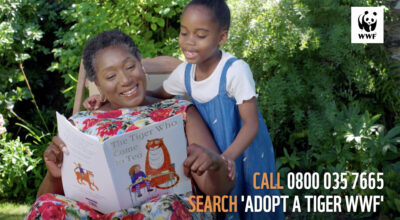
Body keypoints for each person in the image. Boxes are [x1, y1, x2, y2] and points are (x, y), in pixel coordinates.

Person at [84, 0, 284, 219]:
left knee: (255, 196)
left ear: (222, 37)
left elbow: (251, 124)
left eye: (200, 35)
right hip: (216, 148)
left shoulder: (235, 70)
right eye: (184, 33)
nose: (189, 43)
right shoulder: (185, 73)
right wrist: (110, 101)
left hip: (242, 146)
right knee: (234, 205)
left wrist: (226, 157)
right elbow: (156, 97)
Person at [25, 29, 234, 220]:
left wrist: (214, 163)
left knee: (166, 209)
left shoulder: (180, 112)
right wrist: (54, 175)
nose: (125, 80)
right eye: (111, 76)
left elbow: (218, 192)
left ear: (141, 64)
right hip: (97, 215)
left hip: (163, 211)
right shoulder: (79, 125)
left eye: (130, 66)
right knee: (45, 207)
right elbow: (44, 203)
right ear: (98, 85)